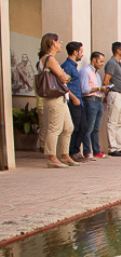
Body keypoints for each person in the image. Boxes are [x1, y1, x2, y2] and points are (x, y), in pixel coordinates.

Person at [36, 33, 77, 168]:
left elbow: (63, 77)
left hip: (60, 97)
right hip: (54, 97)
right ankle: (52, 157)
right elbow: (62, 77)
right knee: (55, 127)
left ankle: (64, 155)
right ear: (53, 42)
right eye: (59, 41)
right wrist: (66, 76)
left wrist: (65, 76)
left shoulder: (50, 59)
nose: (60, 44)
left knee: (68, 127)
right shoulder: (49, 59)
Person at [80, 51, 108, 160]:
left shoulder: (96, 74)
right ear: (94, 60)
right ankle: (87, 151)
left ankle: (96, 151)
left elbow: (99, 88)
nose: (102, 64)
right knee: (89, 127)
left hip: (98, 100)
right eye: (100, 61)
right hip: (90, 100)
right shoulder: (85, 71)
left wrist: (103, 90)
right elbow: (84, 89)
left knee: (96, 128)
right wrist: (99, 89)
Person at [103, 42, 121, 157]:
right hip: (115, 94)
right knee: (112, 121)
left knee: (119, 122)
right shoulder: (112, 63)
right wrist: (106, 94)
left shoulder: (118, 64)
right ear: (118, 50)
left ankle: (119, 146)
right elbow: (106, 80)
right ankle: (112, 148)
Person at [61, 41, 85, 162]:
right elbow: (63, 84)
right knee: (74, 127)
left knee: (81, 127)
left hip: (79, 100)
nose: (82, 54)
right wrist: (73, 98)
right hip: (73, 101)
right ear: (74, 52)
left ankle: (76, 151)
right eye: (81, 52)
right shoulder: (67, 66)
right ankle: (71, 152)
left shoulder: (74, 66)